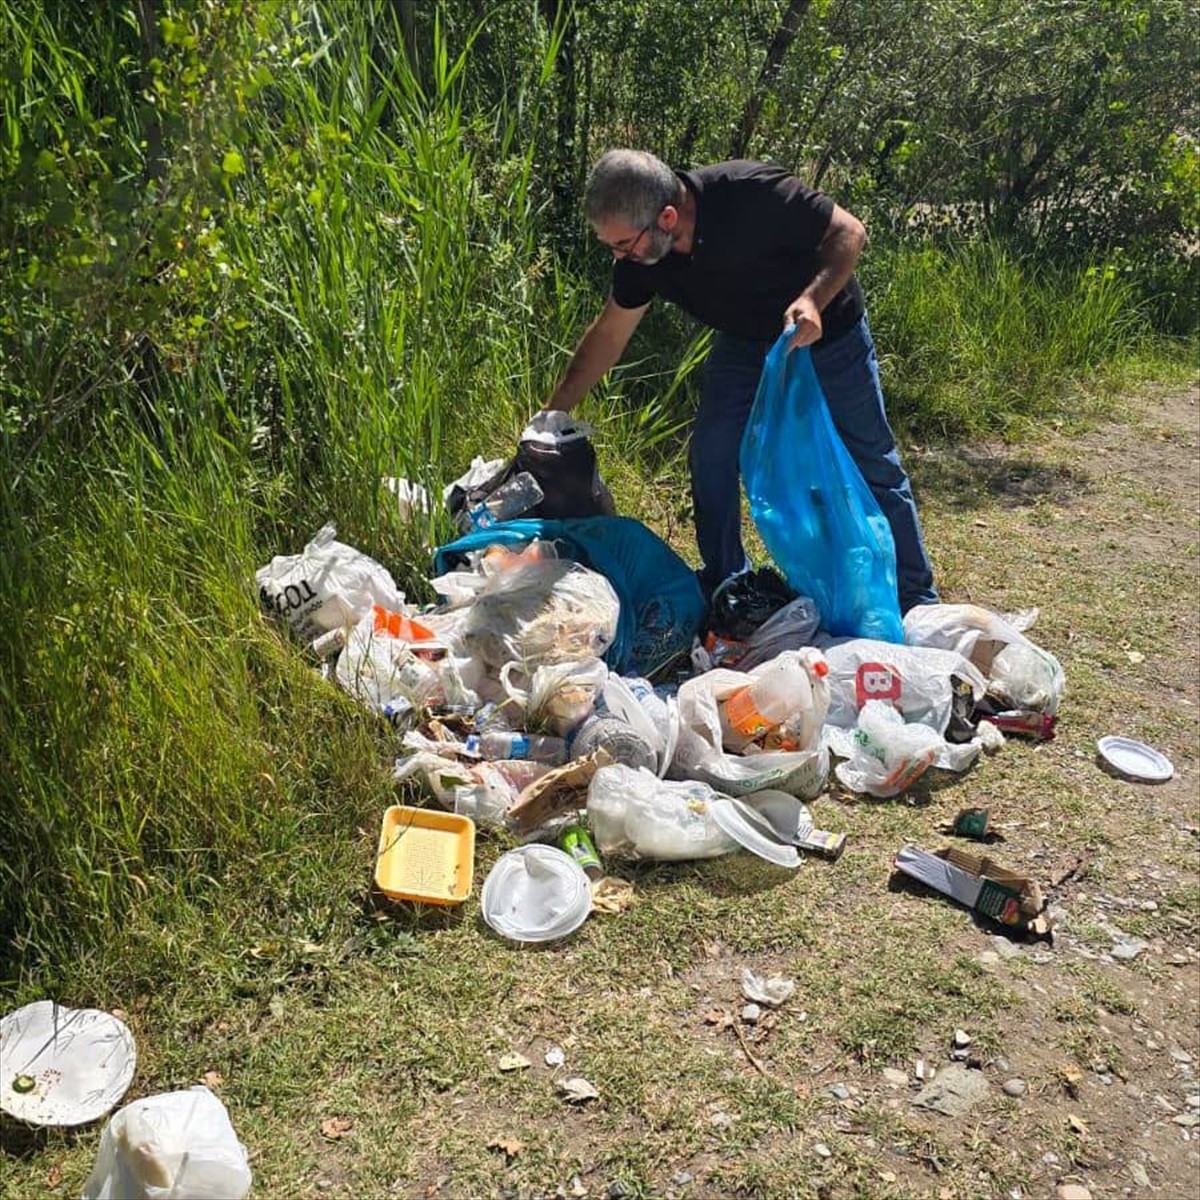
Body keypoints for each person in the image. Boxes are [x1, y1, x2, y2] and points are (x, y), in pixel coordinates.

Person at [542, 148, 938, 615]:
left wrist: (813, 300)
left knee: (871, 457)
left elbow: (849, 232)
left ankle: (916, 598)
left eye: (624, 244)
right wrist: (552, 415)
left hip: (829, 329)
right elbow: (608, 335)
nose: (619, 257)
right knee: (711, 452)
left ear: (667, 217)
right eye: (611, 246)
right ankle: (727, 581)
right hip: (747, 341)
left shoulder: (749, 192)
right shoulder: (642, 260)